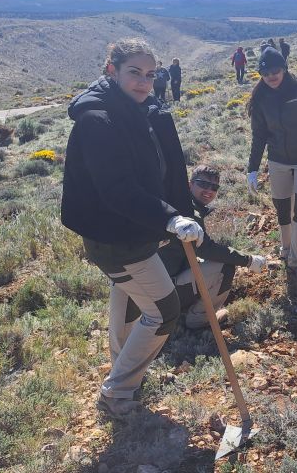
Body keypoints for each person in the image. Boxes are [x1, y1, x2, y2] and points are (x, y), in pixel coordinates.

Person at [61, 38, 203, 418]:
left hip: (135, 229)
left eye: (151, 75)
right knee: (163, 310)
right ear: (112, 71)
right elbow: (118, 189)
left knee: (126, 303)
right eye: (134, 73)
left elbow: (164, 169)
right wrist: (169, 218)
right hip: (117, 238)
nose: (144, 82)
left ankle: (123, 373)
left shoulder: (140, 110)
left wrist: (176, 213)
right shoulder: (99, 120)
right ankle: (117, 392)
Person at [246, 47, 297, 289]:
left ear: (284, 69)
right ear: (260, 74)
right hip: (277, 161)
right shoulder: (261, 98)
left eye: (276, 70)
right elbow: (259, 135)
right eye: (265, 72)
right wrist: (252, 168)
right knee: (282, 208)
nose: (271, 76)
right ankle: (286, 250)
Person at [158, 165, 266, 328]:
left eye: (214, 187)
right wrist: (248, 260)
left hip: (155, 284)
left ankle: (185, 308)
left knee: (203, 261)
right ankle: (198, 319)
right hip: (165, 290)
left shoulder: (181, 203)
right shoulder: (190, 213)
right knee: (225, 267)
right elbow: (207, 249)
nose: (209, 190)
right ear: (190, 184)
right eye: (203, 184)